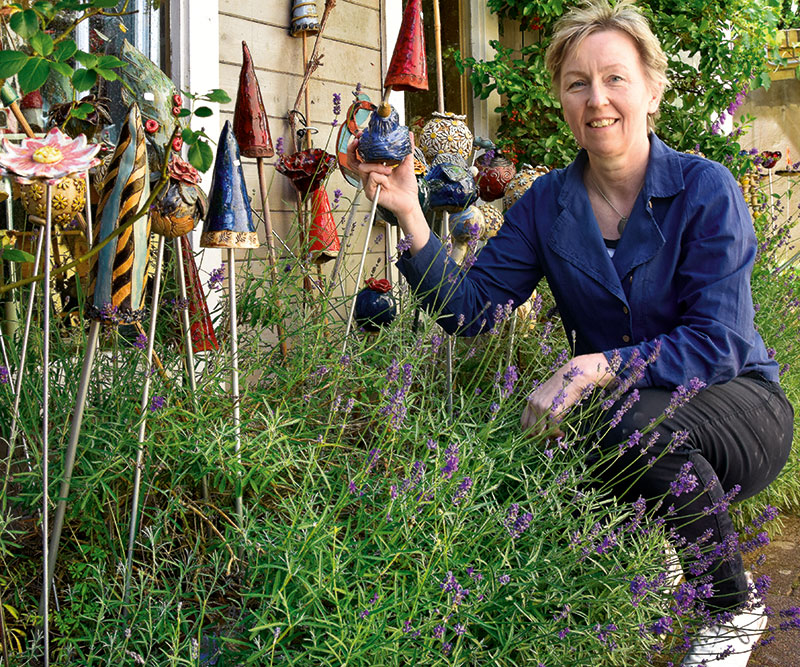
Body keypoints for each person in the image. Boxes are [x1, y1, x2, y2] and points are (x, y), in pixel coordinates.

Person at [349, 0, 794, 664]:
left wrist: (589, 366)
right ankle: (666, 540)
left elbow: (719, 342)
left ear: (651, 89)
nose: (597, 99)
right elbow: (470, 310)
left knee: (617, 418)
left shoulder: (706, 189)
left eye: (615, 78)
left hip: (740, 408)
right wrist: (412, 214)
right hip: (633, 415)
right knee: (600, 425)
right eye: (577, 83)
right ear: (561, 99)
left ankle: (729, 608)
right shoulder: (549, 203)